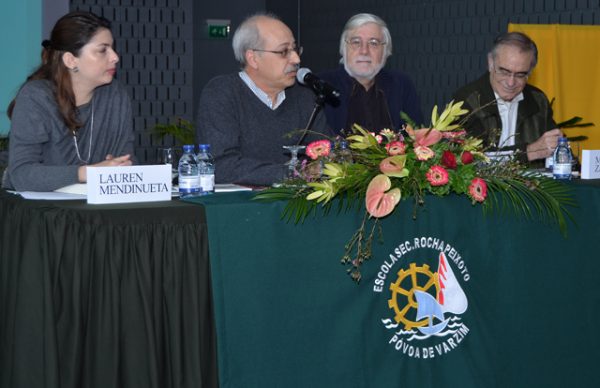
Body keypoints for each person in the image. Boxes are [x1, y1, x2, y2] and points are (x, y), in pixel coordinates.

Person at [2, 11, 134, 192]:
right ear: (71, 60)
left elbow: (126, 160)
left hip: (97, 210)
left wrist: (120, 167)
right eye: (103, 50)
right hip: (40, 213)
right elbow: (21, 175)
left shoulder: (116, 95)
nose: (115, 57)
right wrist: (86, 173)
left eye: (112, 48)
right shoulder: (36, 97)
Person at [196, 13, 331, 186]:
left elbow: (327, 152)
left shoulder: (305, 97)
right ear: (253, 58)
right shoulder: (222, 93)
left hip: (299, 208)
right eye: (284, 52)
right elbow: (221, 165)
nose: (296, 59)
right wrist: (293, 174)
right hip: (241, 209)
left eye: (295, 49)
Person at [453, 31, 561, 163]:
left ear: (530, 72)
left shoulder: (538, 101)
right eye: (504, 72)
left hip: (533, 182)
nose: (511, 82)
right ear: (490, 63)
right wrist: (528, 152)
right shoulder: (468, 100)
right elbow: (470, 158)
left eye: (520, 75)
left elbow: (559, 153)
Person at [319, 13, 423, 134]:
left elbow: (417, 140)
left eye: (373, 43)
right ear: (343, 48)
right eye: (356, 42)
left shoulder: (402, 85)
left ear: (385, 51)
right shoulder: (320, 86)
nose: (364, 51)